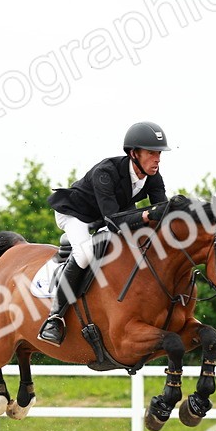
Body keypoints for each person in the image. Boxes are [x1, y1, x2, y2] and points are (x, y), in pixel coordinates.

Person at [37, 121, 170, 345]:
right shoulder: (105, 172)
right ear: (133, 153)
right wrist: (146, 216)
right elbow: (113, 220)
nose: (157, 159)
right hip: (75, 213)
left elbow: (162, 211)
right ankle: (54, 318)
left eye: (159, 153)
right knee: (86, 253)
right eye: (151, 153)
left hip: (106, 215)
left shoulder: (153, 176)